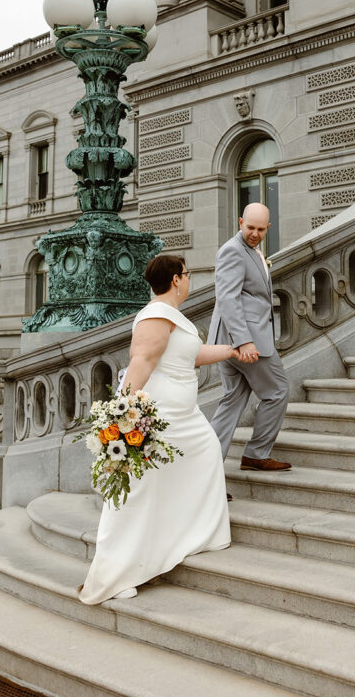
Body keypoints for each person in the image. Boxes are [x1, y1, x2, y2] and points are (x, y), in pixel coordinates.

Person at [79, 254, 241, 605]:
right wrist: (123, 416)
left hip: (188, 417)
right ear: (176, 279)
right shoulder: (155, 315)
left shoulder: (172, 316)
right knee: (139, 487)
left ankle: (197, 534)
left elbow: (190, 355)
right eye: (187, 273)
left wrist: (231, 350)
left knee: (207, 455)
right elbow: (142, 361)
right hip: (160, 415)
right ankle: (115, 572)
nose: (189, 279)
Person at [207, 203, 291, 472]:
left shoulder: (252, 249)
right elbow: (228, 299)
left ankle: (205, 472)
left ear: (269, 227)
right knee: (277, 391)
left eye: (260, 229)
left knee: (231, 403)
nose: (254, 233)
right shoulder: (233, 250)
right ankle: (256, 453)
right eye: (249, 227)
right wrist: (244, 341)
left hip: (229, 341)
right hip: (244, 343)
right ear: (240, 222)